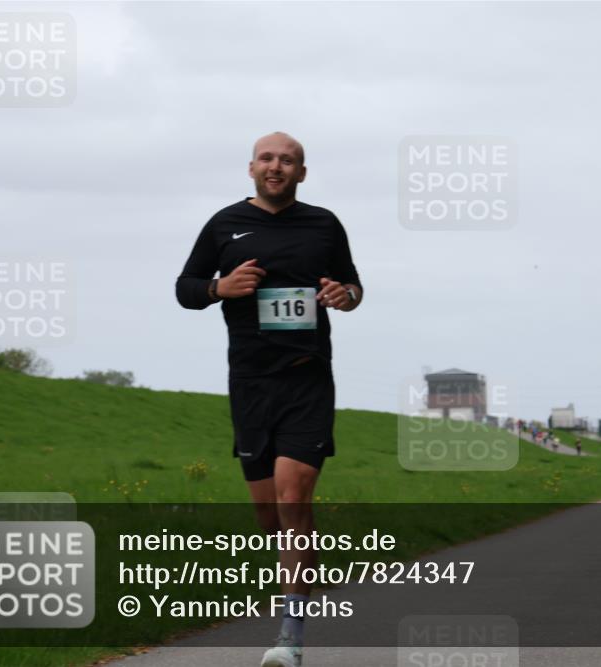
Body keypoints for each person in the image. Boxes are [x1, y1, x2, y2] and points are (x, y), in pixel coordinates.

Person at [176, 132, 363, 667]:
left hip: (307, 378)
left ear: (301, 173)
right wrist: (220, 288)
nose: (276, 166)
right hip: (250, 384)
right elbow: (185, 287)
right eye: (267, 158)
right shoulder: (223, 224)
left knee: (291, 498)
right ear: (252, 168)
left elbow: (353, 288)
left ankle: (290, 636)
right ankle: (303, 573)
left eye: (288, 160)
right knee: (269, 514)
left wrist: (342, 297)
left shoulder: (323, 224)